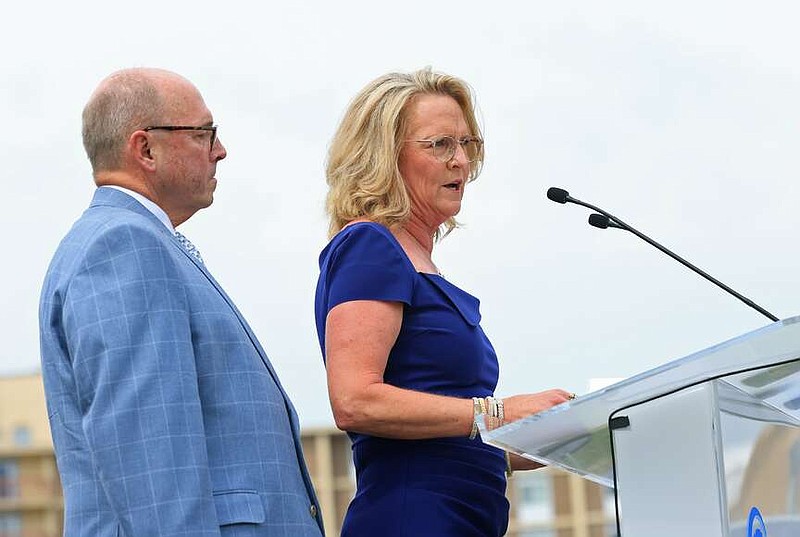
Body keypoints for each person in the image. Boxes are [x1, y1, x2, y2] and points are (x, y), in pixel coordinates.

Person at [39, 68, 324, 537]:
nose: (220, 150)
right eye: (203, 133)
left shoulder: (127, 242)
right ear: (145, 148)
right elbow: (153, 466)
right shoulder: (124, 245)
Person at [314, 68, 575, 537]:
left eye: (466, 144)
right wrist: (496, 412)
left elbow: (452, 437)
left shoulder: (413, 261)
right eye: (440, 145)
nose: (461, 161)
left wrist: (565, 433)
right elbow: (354, 400)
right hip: (413, 518)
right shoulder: (371, 246)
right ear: (384, 157)